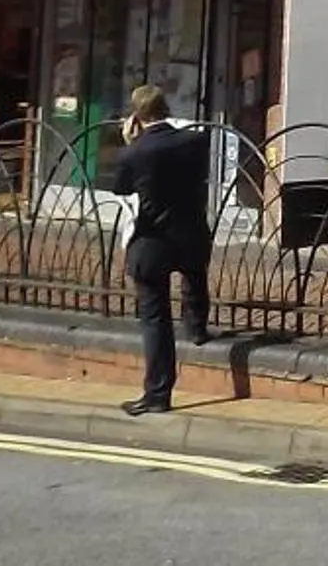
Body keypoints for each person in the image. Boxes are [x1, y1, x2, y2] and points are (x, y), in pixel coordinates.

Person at [104, 84, 212, 416]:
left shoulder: (135, 152)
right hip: (191, 233)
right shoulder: (196, 141)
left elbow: (121, 187)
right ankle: (196, 328)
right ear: (165, 108)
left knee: (155, 318)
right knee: (194, 276)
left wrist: (130, 142)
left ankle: (157, 393)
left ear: (136, 116)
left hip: (152, 242)